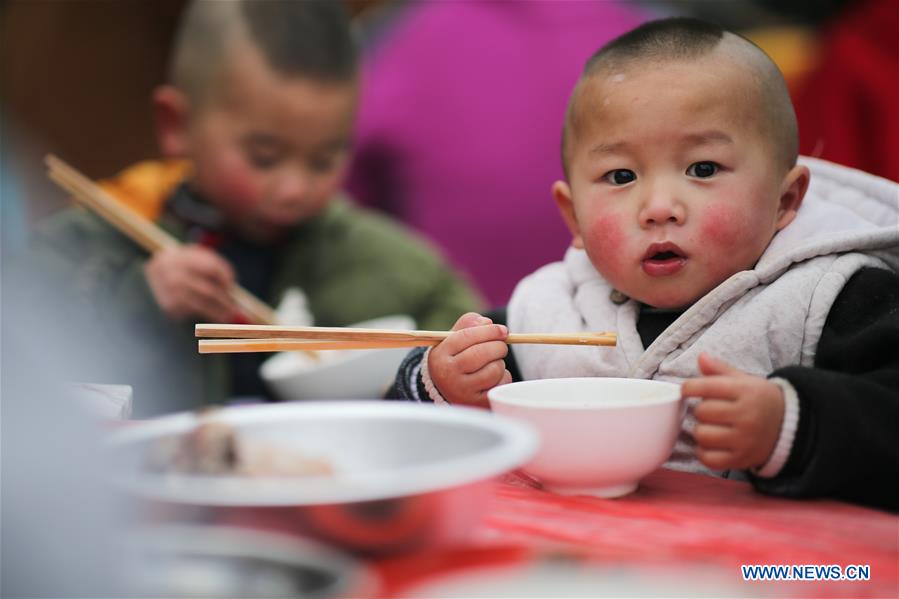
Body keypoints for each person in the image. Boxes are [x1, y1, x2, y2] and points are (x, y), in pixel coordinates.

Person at [391, 18, 899, 511]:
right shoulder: (548, 309)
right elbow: (395, 426)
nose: (658, 206)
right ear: (575, 216)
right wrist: (445, 383)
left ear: (785, 200)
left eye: (702, 169)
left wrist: (794, 423)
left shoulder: (839, 295)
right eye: (620, 176)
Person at [16, 0, 482, 415]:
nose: (295, 188)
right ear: (177, 124)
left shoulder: (385, 262)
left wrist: (450, 373)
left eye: (325, 158)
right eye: (265, 157)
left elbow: (463, 330)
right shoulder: (97, 240)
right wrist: (138, 299)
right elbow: (21, 352)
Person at [345, 0, 651, 305]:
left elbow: (338, 206)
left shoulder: (394, 42)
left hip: (454, 332)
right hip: (634, 322)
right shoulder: (650, 33)